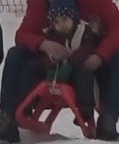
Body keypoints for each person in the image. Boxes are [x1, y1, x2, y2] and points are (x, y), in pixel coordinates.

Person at [0, 0, 119, 143]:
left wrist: (99, 56)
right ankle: (8, 118)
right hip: (51, 69)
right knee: (16, 54)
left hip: (91, 70)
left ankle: (108, 120)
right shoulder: (40, 3)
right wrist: (44, 44)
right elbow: (23, 34)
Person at [16, 0, 104, 128]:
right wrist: (50, 61)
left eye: (64, 19)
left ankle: (86, 111)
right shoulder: (51, 34)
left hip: (75, 70)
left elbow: (86, 49)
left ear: (73, 17)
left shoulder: (84, 32)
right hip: (54, 71)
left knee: (84, 76)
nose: (61, 25)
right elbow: (44, 55)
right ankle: (25, 103)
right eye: (56, 21)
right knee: (32, 67)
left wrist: (71, 61)